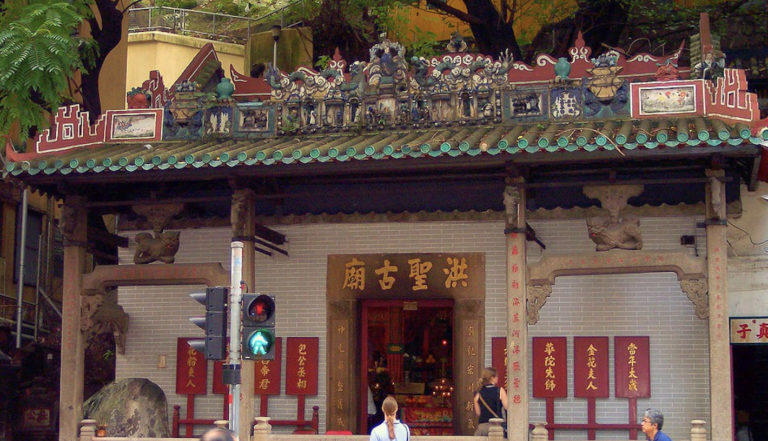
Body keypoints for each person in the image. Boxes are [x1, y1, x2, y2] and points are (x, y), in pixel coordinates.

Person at [473, 367, 508, 436]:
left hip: (482, 428)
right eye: (496, 376)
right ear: (492, 378)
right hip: (497, 428)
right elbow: (507, 407)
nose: (498, 378)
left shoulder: (478, 393)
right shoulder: (500, 391)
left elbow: (478, 413)